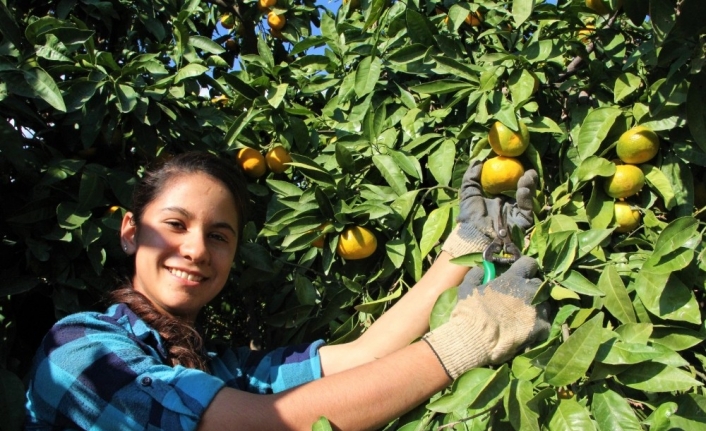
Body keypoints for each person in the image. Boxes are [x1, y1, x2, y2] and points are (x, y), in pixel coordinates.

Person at [25, 151, 550, 431]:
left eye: (218, 235)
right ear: (130, 232)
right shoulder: (76, 353)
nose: (197, 249)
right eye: (176, 224)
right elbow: (267, 427)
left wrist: (461, 251)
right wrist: (469, 339)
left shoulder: (214, 366)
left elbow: (361, 358)